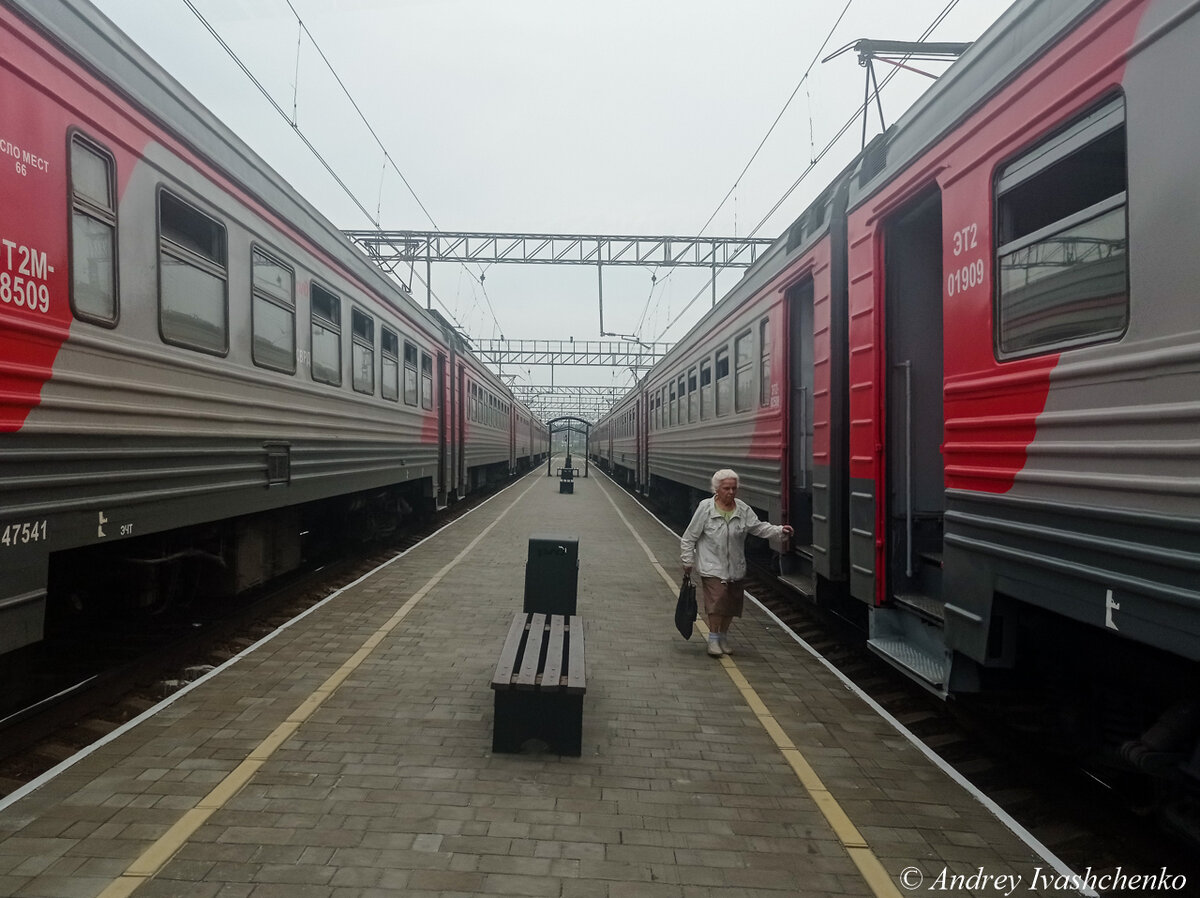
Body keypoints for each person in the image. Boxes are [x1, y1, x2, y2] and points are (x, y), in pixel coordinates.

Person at [680, 469, 793, 657]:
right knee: (717, 603)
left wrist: (780, 531)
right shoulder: (705, 508)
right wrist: (687, 560)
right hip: (712, 566)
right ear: (717, 489)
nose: (731, 492)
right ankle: (713, 640)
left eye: (734, 488)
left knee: (731, 604)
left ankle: (722, 637)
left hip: (735, 567)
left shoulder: (742, 509)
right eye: (726, 488)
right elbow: (689, 537)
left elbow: (758, 527)